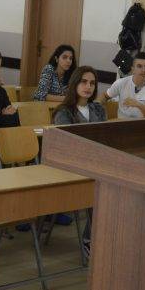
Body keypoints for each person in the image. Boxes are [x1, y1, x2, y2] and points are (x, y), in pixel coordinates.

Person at [51, 65, 107, 247]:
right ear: (75, 83)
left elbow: (104, 140)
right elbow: (68, 148)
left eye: (92, 83)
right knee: (103, 187)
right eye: (83, 82)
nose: (88, 87)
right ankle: (90, 240)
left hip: (96, 163)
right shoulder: (63, 112)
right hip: (71, 165)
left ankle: (100, 236)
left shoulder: (98, 110)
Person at [103, 51, 145, 118]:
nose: (143, 70)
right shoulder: (121, 83)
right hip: (121, 124)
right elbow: (105, 96)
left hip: (143, 126)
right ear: (133, 69)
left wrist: (137, 104)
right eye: (139, 66)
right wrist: (97, 104)